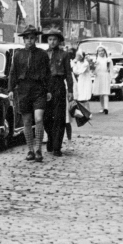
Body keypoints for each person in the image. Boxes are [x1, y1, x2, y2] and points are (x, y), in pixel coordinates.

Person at [7, 25, 50, 162]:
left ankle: (38, 149)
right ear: (24, 40)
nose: (29, 41)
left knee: (38, 118)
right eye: (27, 38)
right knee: (26, 121)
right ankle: (30, 150)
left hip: (38, 89)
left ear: (35, 39)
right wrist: (10, 90)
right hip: (23, 90)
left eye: (32, 38)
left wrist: (48, 90)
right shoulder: (18, 54)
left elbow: (48, 73)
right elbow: (12, 73)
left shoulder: (42, 54)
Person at [42, 27, 72, 157]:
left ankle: (57, 146)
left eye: (55, 39)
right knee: (46, 117)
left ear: (59, 41)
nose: (52, 42)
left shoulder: (64, 55)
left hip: (58, 85)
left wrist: (70, 90)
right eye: (50, 39)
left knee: (59, 118)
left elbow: (68, 74)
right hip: (45, 87)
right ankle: (50, 137)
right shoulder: (43, 54)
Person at [69, 50, 92, 142]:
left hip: (86, 79)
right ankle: (84, 112)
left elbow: (79, 71)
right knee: (81, 96)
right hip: (81, 80)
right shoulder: (77, 62)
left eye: (78, 56)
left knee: (85, 96)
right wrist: (74, 63)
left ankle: (88, 112)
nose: (77, 57)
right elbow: (74, 70)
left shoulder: (85, 63)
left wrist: (74, 65)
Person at [92, 45, 112, 114]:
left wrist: (111, 77)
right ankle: (102, 107)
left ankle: (106, 108)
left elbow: (110, 69)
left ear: (105, 51)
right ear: (97, 52)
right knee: (101, 93)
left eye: (102, 51)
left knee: (105, 92)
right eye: (99, 51)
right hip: (98, 76)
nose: (101, 52)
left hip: (105, 76)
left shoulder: (108, 59)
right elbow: (93, 70)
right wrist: (93, 69)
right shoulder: (96, 59)